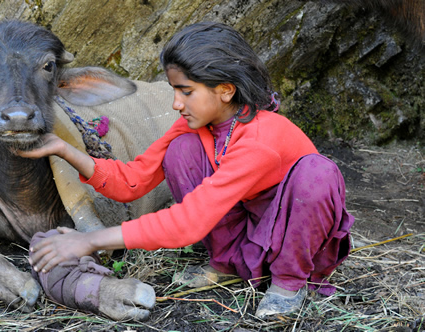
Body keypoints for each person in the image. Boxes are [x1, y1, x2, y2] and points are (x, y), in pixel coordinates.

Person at [19, 22, 354, 317]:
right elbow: (133, 182)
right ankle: (225, 264)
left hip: (294, 242)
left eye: (186, 91)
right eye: (174, 90)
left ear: (225, 90)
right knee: (181, 151)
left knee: (317, 173)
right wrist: (65, 149)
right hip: (249, 238)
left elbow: (190, 221)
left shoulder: (260, 139)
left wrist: (90, 241)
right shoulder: (194, 126)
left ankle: (289, 282)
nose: (176, 103)